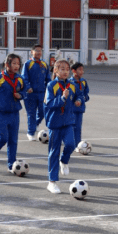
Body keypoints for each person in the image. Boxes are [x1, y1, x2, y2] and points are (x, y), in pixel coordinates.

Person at [44, 59, 78, 194]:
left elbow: (79, 96)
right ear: (55, 71)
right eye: (62, 69)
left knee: (71, 144)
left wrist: (79, 101)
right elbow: (49, 103)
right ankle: (52, 182)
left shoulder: (72, 85)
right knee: (54, 152)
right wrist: (62, 99)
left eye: (67, 69)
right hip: (54, 123)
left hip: (68, 121)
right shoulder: (51, 86)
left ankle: (64, 161)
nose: (65, 71)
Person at [22, 45, 49, 141]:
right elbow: (24, 77)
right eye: (36, 50)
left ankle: (36, 123)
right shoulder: (28, 64)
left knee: (43, 111)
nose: (38, 52)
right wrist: (28, 87)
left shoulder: (44, 64)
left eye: (40, 50)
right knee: (31, 113)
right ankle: (30, 132)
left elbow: (48, 79)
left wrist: (49, 89)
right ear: (32, 52)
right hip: (30, 94)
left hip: (42, 93)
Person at [69, 62, 90, 144]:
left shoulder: (84, 82)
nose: (82, 72)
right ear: (73, 71)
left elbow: (86, 94)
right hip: (71, 109)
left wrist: (84, 98)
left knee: (78, 127)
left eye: (82, 70)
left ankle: (77, 144)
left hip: (80, 109)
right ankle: (70, 142)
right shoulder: (69, 82)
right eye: (79, 70)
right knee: (71, 127)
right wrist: (75, 100)